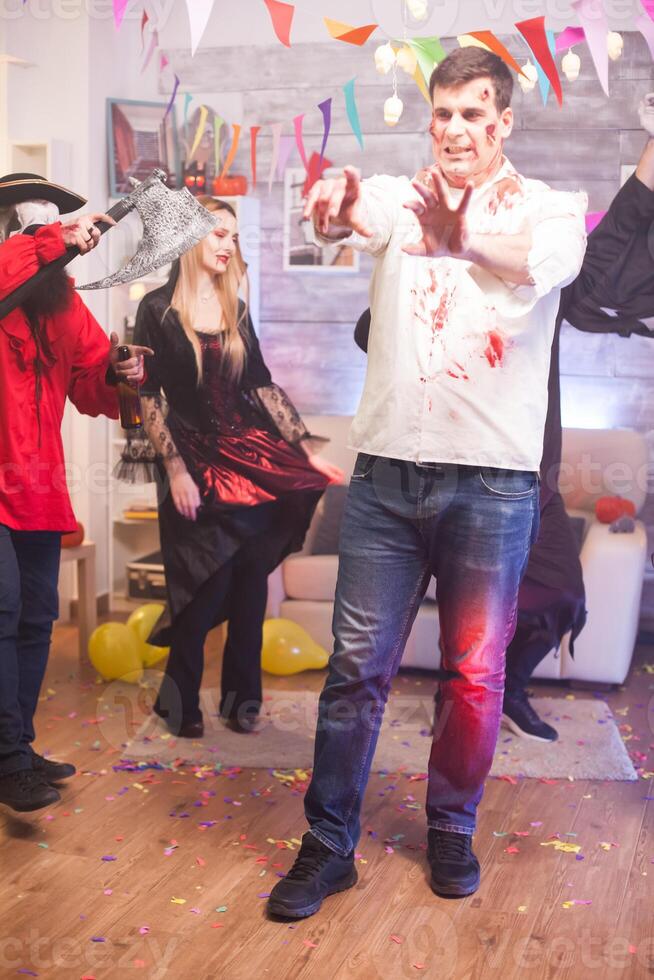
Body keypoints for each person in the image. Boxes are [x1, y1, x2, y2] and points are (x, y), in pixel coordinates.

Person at [267, 47, 587, 916]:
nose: (454, 129)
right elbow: (352, 218)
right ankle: (328, 844)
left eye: (473, 113)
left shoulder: (552, 208)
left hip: (491, 490)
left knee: (474, 677)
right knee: (354, 673)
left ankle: (451, 825)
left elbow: (546, 263)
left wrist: (463, 237)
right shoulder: (399, 194)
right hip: (383, 485)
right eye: (443, 112)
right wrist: (331, 212)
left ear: (503, 123)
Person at [351, 99, 654, 743]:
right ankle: (465, 699)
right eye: (445, 116)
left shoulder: (545, 263)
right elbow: (369, 331)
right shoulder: (421, 258)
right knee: (378, 653)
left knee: (560, 595)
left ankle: (501, 689)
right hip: (420, 467)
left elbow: (614, 244)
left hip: (518, 471)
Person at [131, 197, 342, 740]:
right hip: (192, 462)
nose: (228, 245)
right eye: (217, 233)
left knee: (251, 582)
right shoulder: (155, 310)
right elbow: (148, 397)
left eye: (233, 236)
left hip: (246, 458)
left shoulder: (237, 309)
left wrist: (304, 450)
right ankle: (177, 704)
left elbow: (261, 386)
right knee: (203, 582)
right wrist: (174, 469)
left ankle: (242, 701)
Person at [0, 172, 151, 812]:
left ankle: (16, 747)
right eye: (31, 220)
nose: (45, 226)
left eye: (55, 217)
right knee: (3, 613)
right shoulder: (11, 272)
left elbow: (91, 384)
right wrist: (51, 239)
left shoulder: (63, 302)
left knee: (37, 617)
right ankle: (7, 760)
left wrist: (122, 374)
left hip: (35, 484)